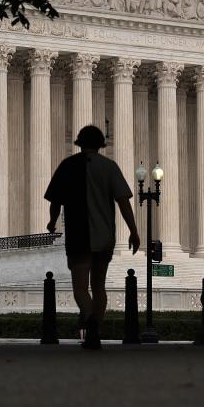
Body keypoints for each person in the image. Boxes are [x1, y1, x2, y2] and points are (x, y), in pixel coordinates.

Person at [44, 125, 140, 349]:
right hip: (104, 234)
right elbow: (123, 202)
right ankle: (96, 326)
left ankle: (90, 324)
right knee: (99, 287)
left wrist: (52, 221)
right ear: (100, 144)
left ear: (79, 142)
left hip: (78, 235)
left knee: (80, 288)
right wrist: (133, 231)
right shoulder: (109, 167)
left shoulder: (68, 166)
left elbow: (55, 201)